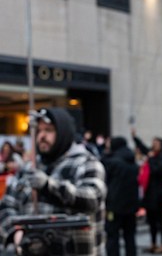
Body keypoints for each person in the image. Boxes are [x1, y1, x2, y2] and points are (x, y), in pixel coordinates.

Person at [0, 107, 106, 255]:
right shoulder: (29, 167)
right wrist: (15, 233)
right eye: (39, 131)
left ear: (63, 132)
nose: (42, 136)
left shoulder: (86, 163)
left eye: (49, 130)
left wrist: (49, 186)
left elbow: (91, 199)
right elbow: (6, 205)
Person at [132, 130, 162, 254]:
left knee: (161, 220)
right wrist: (135, 138)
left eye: (156, 143)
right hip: (150, 193)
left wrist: (149, 159)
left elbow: (158, 170)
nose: (153, 145)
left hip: (160, 194)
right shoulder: (152, 155)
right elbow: (144, 148)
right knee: (151, 221)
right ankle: (154, 243)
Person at [101, 136, 140, 256]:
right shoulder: (132, 162)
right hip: (131, 205)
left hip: (114, 206)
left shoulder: (111, 162)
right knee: (130, 236)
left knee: (112, 236)